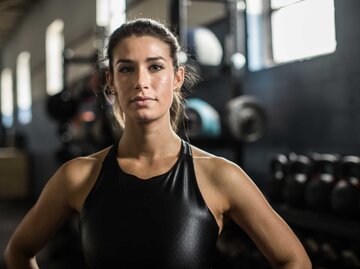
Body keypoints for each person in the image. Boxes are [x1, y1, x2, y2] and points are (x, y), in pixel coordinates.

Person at [4, 18, 311, 269]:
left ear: (177, 77)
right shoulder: (78, 176)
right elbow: (18, 251)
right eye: (126, 68)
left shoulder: (218, 176)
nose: (141, 82)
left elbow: (293, 260)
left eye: (155, 67)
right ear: (111, 81)